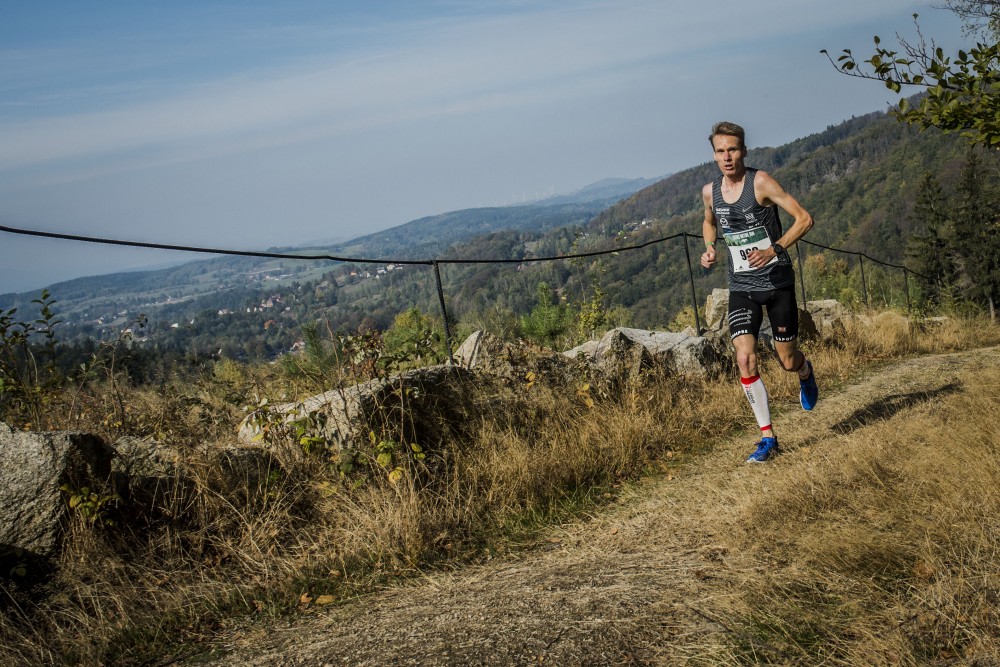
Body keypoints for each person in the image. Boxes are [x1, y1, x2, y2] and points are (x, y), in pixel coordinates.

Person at [699, 121, 818, 463]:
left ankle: (805, 371)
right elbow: (709, 222)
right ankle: (768, 438)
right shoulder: (710, 192)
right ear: (714, 155)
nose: (727, 157)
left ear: (744, 151)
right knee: (744, 358)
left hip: (777, 283)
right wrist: (710, 248)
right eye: (720, 151)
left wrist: (773, 250)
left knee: (787, 360)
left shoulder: (761, 182)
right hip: (742, 287)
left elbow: (804, 219)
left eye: (733, 149)